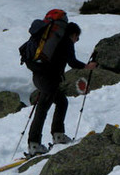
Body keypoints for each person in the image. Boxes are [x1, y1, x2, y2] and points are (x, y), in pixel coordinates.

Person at [27, 22, 97, 154]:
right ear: (74, 34)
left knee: (61, 102)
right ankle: (35, 144)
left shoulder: (54, 42)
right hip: (49, 80)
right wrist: (87, 66)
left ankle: (56, 136)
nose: (77, 41)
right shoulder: (66, 42)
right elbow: (72, 62)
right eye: (77, 38)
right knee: (42, 109)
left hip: (38, 77)